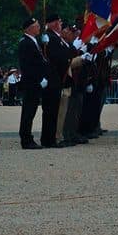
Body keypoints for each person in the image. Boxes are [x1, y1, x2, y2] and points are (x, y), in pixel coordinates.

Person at [17, 17, 49, 149]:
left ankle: (27, 137)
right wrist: (39, 79)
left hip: (34, 82)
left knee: (31, 111)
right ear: (29, 28)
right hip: (31, 82)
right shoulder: (25, 43)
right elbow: (28, 65)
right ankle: (26, 139)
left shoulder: (33, 41)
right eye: (36, 26)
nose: (39, 28)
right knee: (28, 112)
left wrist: (44, 45)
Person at [42, 13, 70, 148]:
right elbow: (55, 57)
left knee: (53, 111)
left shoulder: (56, 38)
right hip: (52, 78)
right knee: (50, 111)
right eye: (58, 22)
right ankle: (48, 139)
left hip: (58, 78)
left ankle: (51, 138)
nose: (60, 24)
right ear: (52, 23)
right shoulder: (51, 38)